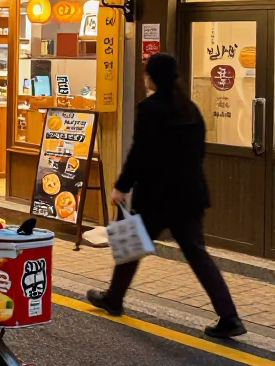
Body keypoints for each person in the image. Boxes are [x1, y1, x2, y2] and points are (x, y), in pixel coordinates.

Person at [88, 52, 245, 340]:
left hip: (159, 196)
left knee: (131, 244)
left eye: (146, 73)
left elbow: (139, 152)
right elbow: (199, 151)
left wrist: (122, 186)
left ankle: (113, 297)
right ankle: (230, 317)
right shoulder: (190, 108)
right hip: (190, 194)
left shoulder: (150, 108)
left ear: (152, 77)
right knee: (197, 255)